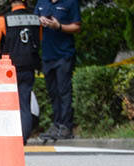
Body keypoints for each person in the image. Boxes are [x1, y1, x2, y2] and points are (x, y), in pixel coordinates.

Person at [0, 1, 40, 143]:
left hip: (9, 69)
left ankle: (8, 137)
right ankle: (22, 138)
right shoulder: (35, 18)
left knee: (7, 106)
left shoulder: (3, 19)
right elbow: (39, 39)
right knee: (24, 104)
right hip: (29, 66)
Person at [33, 0, 81, 141]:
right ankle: (57, 125)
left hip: (64, 54)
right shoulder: (42, 2)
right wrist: (39, 20)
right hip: (48, 55)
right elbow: (34, 19)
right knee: (53, 92)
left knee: (64, 91)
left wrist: (58, 26)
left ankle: (66, 127)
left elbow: (77, 27)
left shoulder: (70, 2)